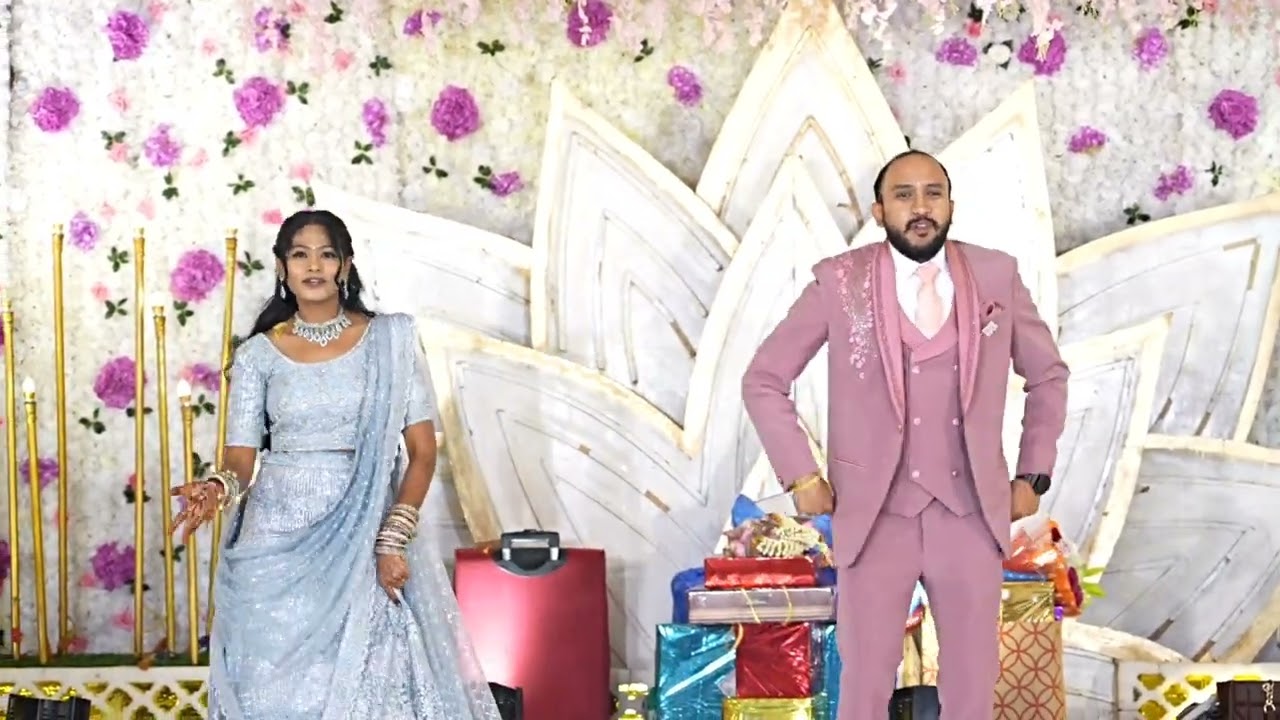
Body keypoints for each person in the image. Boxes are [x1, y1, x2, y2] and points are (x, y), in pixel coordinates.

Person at [742, 150, 1069, 720]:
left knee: (972, 685)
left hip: (970, 512)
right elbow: (764, 379)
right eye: (903, 194)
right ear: (878, 209)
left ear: (950, 205)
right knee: (865, 683)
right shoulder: (838, 281)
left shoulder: (996, 275)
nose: (920, 207)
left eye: (932, 193)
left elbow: (1048, 375)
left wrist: (1033, 474)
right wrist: (801, 475)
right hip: (874, 516)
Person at [172, 210, 502, 720]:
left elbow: (422, 450)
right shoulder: (259, 354)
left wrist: (391, 537)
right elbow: (241, 454)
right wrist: (217, 487)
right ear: (282, 268)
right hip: (275, 536)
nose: (314, 266)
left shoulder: (390, 340)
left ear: (345, 266)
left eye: (327, 254)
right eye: (300, 255)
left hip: (363, 527)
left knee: (371, 679)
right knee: (272, 689)